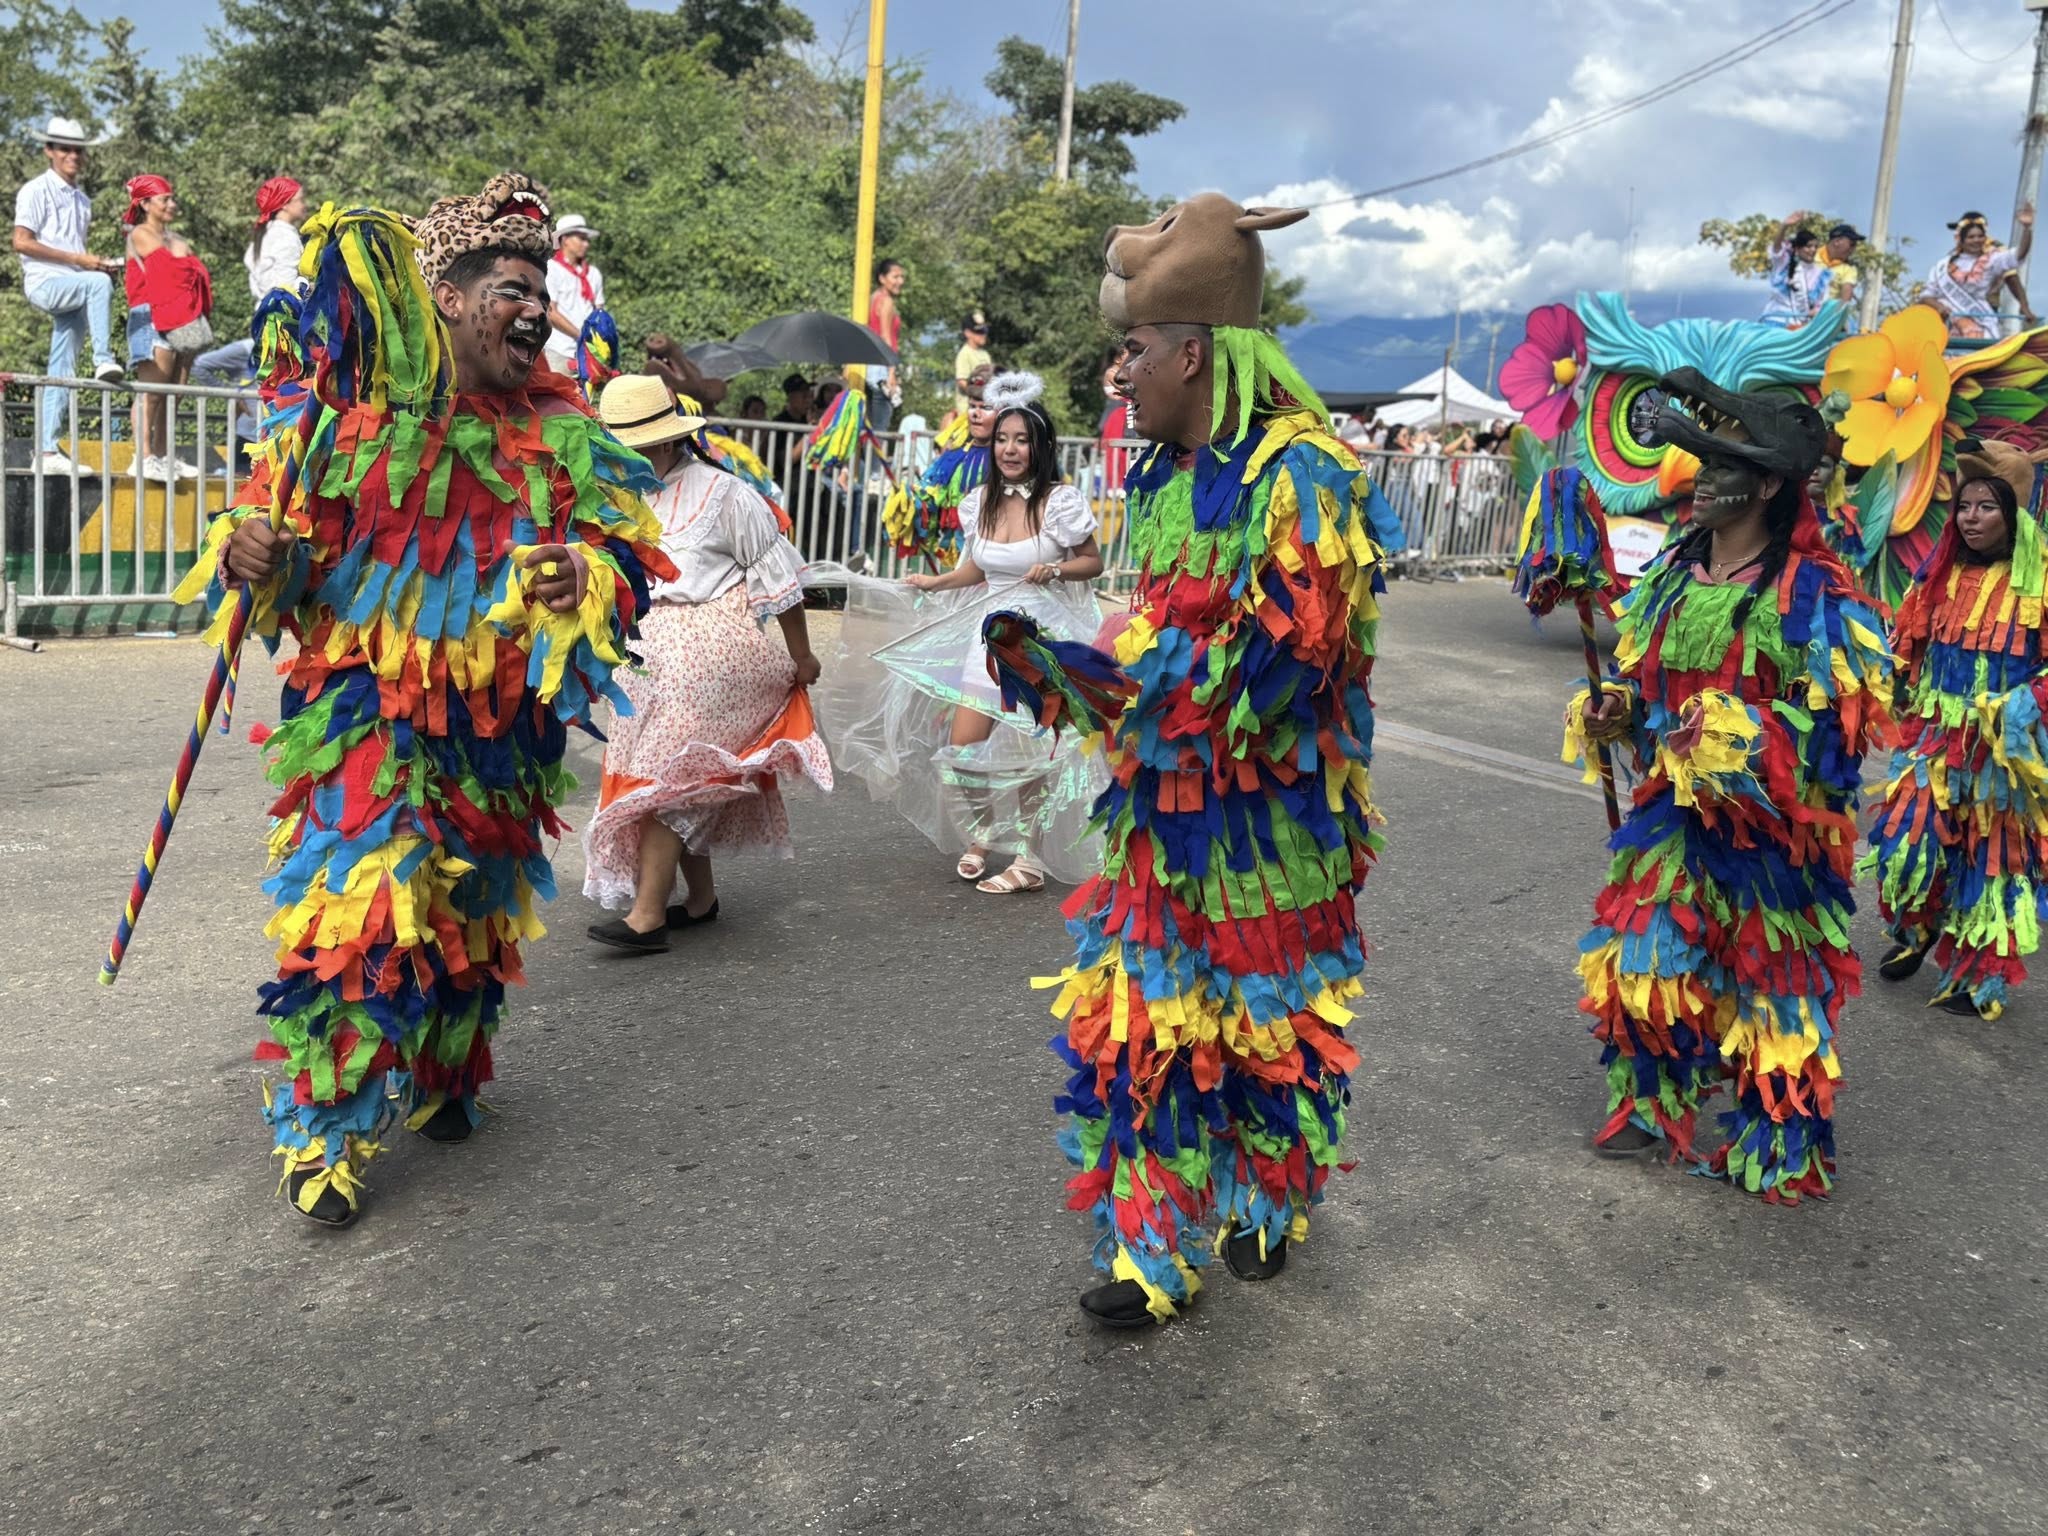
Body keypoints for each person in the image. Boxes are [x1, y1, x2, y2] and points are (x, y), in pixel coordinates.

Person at [169, 173, 673, 1227]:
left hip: (502, 730)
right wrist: (256, 552)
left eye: (542, 292)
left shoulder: (561, 426)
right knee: (358, 906)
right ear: (446, 296)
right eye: (511, 289)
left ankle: (447, 1069)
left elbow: (626, 562)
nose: (535, 312)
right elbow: (278, 555)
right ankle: (325, 1126)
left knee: (474, 910)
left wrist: (583, 577)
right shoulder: (339, 418)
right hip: (366, 709)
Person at [976, 194, 1387, 1327]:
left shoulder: (1303, 478)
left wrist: (1118, 684)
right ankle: (1150, 1249)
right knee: (1141, 1019)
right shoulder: (1160, 476)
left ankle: (1266, 1198)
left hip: (1274, 832)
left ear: (1193, 354)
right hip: (1159, 818)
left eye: (1134, 350)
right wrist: (1068, 673)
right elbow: (1155, 631)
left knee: (1266, 1026)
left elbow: (1283, 671)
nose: (1118, 373)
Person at [1571, 369, 1891, 1202]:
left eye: (1719, 466)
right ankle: (1654, 1101)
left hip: (1773, 837)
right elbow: (1646, 688)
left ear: (1770, 486)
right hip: (1673, 817)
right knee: (1643, 956)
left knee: (1772, 985)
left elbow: (1839, 734)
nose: (1699, 480)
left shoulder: (1814, 594)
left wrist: (1742, 736)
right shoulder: (1674, 575)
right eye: (1699, 464)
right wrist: (1620, 711)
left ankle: (1777, 1133)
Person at [581, 372, 830, 951]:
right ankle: (700, 899)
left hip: (710, 653)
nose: (627, 455)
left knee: (669, 776)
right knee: (667, 771)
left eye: (638, 444)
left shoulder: (726, 494)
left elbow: (781, 582)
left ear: (670, 438)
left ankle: (648, 915)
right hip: (645, 656)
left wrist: (802, 656)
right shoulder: (615, 495)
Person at [894, 370, 1104, 893]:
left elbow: (1092, 561)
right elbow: (977, 569)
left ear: (1040, 446)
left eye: (1022, 440)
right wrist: (936, 582)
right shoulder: (980, 500)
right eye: (1003, 439)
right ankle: (986, 833)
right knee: (962, 750)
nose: (1010, 449)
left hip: (1039, 640)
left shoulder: (1060, 501)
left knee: (1030, 753)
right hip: (987, 638)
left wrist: (1055, 569)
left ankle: (1029, 861)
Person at [1868, 438, 2048, 1021]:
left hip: (2001, 753)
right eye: (1964, 506)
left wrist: (2024, 702)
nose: (1971, 518)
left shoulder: (2040, 579)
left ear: (2013, 512)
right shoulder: (1938, 574)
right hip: (1933, 737)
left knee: (1989, 860)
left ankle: (1979, 973)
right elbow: (1908, 645)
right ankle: (1916, 928)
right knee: (1906, 844)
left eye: (1986, 507)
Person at [12, 115, 125, 474]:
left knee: (61, 368)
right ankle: (103, 358)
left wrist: (95, 264)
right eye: (65, 149)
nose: (73, 155)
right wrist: (81, 262)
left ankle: (46, 451)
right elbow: (21, 242)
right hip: (45, 283)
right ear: (49, 150)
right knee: (97, 285)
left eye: (78, 150)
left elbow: (75, 252)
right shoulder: (35, 190)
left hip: (74, 284)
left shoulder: (83, 201)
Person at [122, 174, 214, 481]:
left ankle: (163, 455)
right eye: (165, 199)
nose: (172, 204)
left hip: (181, 317)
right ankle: (144, 456)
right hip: (150, 315)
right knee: (153, 391)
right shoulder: (140, 233)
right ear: (145, 204)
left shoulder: (174, 237)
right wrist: (186, 259)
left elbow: (188, 268)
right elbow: (173, 266)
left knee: (175, 392)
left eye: (172, 198)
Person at [884, 361, 994, 568]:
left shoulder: (1010, 457)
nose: (975, 413)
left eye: (986, 408)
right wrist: (910, 504)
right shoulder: (955, 454)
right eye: (972, 406)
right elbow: (932, 493)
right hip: (963, 558)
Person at [1926, 207, 2036, 341]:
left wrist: (2024, 306)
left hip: (1984, 310)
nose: (1975, 240)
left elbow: (2012, 276)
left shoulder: (1994, 252)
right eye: (1970, 236)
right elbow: (1930, 293)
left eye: (1979, 235)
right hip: (1952, 315)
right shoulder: (1949, 260)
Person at [543, 213, 605, 372]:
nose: (586, 244)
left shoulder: (593, 274)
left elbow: (599, 311)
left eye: (587, 240)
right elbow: (550, 311)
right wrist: (581, 335)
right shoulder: (552, 269)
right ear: (565, 239)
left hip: (589, 353)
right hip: (559, 351)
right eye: (581, 239)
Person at [1760, 213, 1832, 330]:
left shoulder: (1820, 273)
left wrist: (1817, 311)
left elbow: (1822, 302)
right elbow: (1776, 249)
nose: (1813, 250)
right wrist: (1784, 226)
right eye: (1808, 246)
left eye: (1815, 246)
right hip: (1776, 321)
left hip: (1802, 327)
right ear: (1797, 249)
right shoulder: (1784, 263)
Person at [245, 175, 306, 300]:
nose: (304, 205)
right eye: (300, 200)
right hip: (283, 310)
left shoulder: (267, 232)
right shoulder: (285, 237)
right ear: (284, 204)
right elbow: (287, 288)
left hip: (265, 307)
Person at [866, 256, 905, 432]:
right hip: (880, 366)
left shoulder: (872, 298)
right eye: (895, 277)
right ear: (882, 278)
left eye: (901, 277)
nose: (900, 281)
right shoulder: (886, 301)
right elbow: (886, 337)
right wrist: (891, 372)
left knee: (866, 424)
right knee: (879, 428)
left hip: (867, 364)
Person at [952, 310, 991, 419]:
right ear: (967, 333)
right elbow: (962, 381)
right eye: (979, 332)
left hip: (984, 408)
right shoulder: (964, 354)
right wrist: (978, 393)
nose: (983, 335)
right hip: (968, 410)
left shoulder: (985, 354)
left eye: (985, 330)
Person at [1820, 221, 1862, 311]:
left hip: (1824, 314)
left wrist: (1837, 314)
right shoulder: (1812, 254)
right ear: (1837, 242)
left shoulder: (1849, 269)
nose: (1853, 249)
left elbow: (1846, 293)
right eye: (1852, 244)